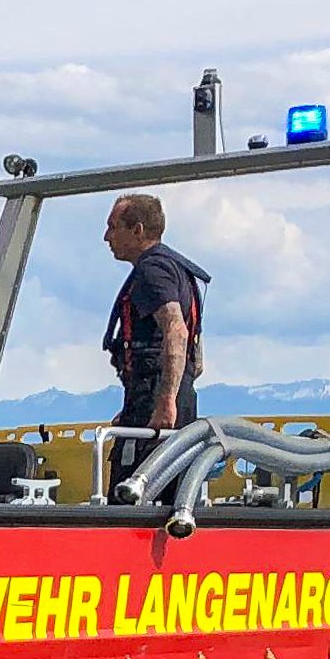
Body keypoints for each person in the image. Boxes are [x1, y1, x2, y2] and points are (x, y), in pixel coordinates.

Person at [100, 195, 208, 494]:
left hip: (157, 401)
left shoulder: (152, 272)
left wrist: (163, 402)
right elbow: (196, 360)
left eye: (113, 227)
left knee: (131, 494)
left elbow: (176, 330)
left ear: (137, 230)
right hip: (165, 399)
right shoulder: (177, 269)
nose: (106, 237)